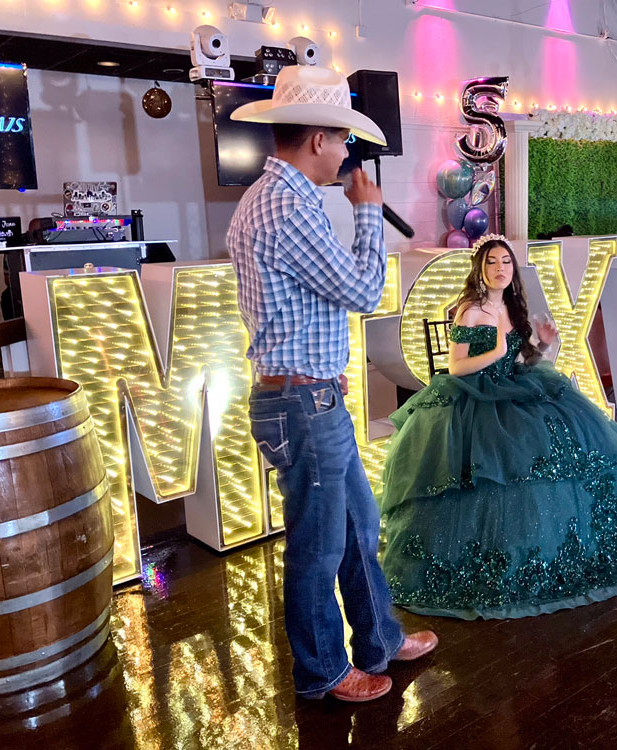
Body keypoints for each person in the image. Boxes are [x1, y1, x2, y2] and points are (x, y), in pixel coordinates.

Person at [226, 65, 436, 703]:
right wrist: (370, 215)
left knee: (356, 527)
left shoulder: (276, 199)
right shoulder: (288, 204)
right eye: (343, 140)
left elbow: (304, 304)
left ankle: (377, 640)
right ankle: (321, 672)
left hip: (309, 393)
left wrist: (319, 363)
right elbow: (365, 289)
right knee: (319, 547)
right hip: (301, 402)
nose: (348, 154)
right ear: (318, 139)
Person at [378, 234, 617, 620]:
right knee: (500, 467)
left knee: (562, 439)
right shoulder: (471, 310)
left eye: (505, 263)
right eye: (492, 263)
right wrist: (497, 350)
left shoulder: (512, 307)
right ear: (480, 270)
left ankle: (556, 537)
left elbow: (524, 359)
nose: (499, 269)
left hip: (516, 385)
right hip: (477, 398)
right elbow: (456, 368)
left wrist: (541, 345)